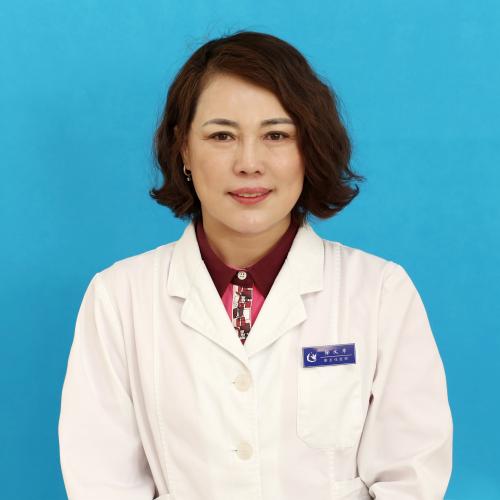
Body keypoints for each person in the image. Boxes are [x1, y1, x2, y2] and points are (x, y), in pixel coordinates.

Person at [58, 30, 453, 500]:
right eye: (222, 135)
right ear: (184, 149)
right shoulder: (119, 298)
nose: (249, 163)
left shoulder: (380, 292)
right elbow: (102, 483)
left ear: (308, 148)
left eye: (276, 135)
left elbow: (411, 479)